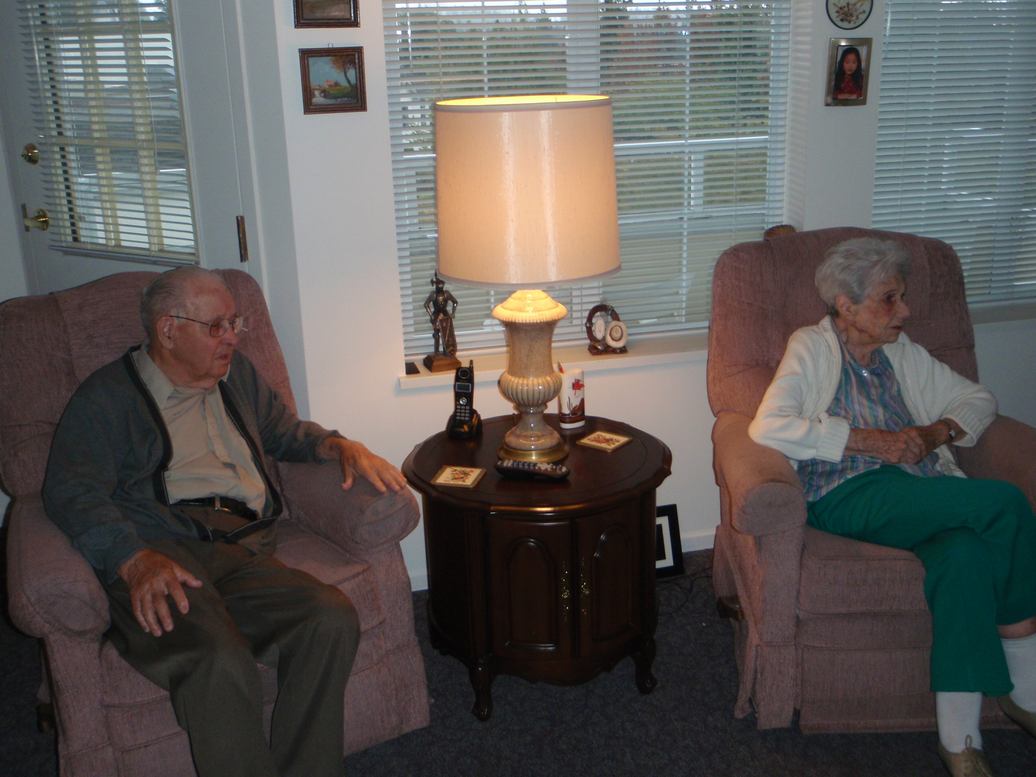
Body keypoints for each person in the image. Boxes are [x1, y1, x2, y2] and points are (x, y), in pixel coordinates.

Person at [42, 266, 407, 777]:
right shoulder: (108, 397)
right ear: (168, 330)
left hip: (243, 548)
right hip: (162, 552)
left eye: (235, 323)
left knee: (328, 617)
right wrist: (132, 559)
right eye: (217, 326)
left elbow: (283, 433)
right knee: (217, 657)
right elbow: (70, 490)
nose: (233, 337)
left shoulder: (238, 377)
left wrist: (339, 445)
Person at [749, 238, 1036, 777]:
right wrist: (865, 440)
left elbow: (978, 399)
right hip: (847, 490)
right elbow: (769, 426)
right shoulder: (811, 346)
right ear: (846, 304)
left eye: (901, 296)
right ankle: (1026, 680)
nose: (905, 310)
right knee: (1004, 503)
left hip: (918, 488)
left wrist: (934, 433)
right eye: (889, 298)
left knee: (965, 555)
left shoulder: (902, 353)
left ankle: (960, 741)